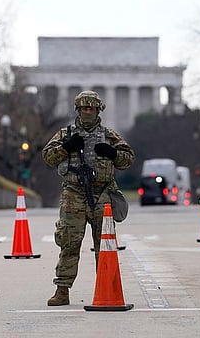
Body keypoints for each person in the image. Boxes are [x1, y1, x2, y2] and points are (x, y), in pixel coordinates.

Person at [42, 90, 135, 306]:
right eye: (84, 108)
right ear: (77, 109)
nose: (87, 112)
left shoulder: (109, 135)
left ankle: (106, 288)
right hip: (73, 193)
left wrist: (112, 153)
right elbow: (47, 156)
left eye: (91, 108)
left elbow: (128, 159)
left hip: (102, 193)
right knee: (69, 242)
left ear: (98, 110)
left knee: (104, 245)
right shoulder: (66, 134)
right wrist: (66, 148)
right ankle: (62, 289)